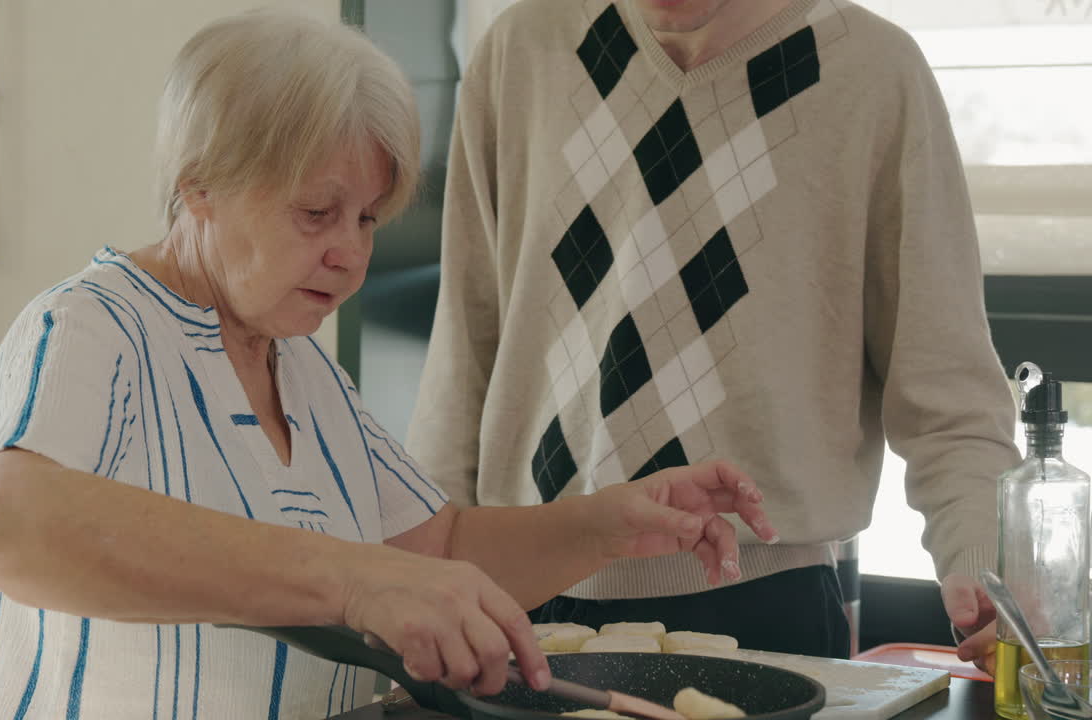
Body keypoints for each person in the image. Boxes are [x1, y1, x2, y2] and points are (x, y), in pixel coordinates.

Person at [0, 8, 777, 719]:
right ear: (199, 186)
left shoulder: (304, 369)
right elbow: (7, 527)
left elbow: (435, 548)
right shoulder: (91, 327)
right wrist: (350, 580)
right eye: (316, 213)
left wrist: (608, 524)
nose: (349, 254)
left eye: (369, 218)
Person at [408, 0, 1017, 669]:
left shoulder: (871, 71)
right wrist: (413, 569)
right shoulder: (521, 48)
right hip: (517, 591)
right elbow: (465, 355)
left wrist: (989, 574)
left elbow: (950, 400)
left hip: (766, 607)